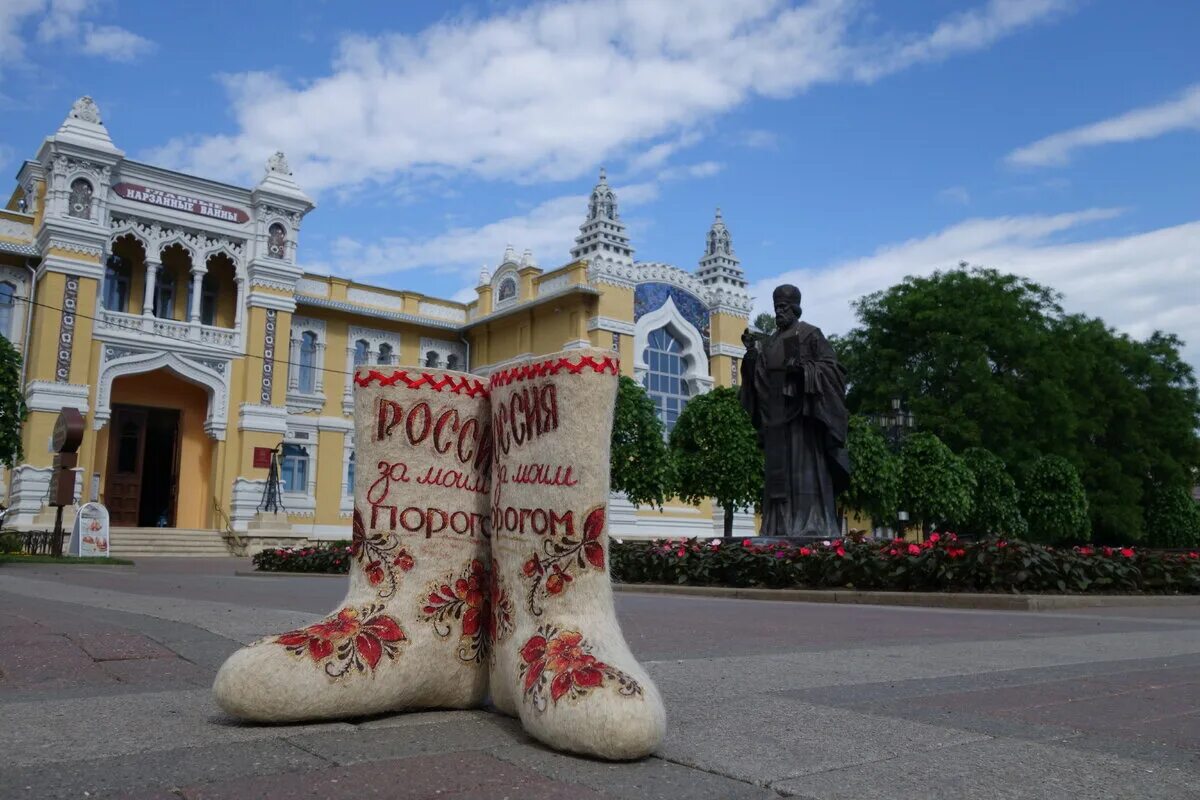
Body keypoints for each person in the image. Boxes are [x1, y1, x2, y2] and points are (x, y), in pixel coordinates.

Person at [740, 284, 849, 538]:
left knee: (804, 472)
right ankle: (778, 526)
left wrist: (804, 371)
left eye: (784, 307)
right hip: (777, 419)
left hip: (804, 419)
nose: (779, 312)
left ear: (796, 308)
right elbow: (758, 381)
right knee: (779, 478)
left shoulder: (811, 334)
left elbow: (833, 370)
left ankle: (812, 524)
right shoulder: (770, 343)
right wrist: (751, 357)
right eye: (777, 307)